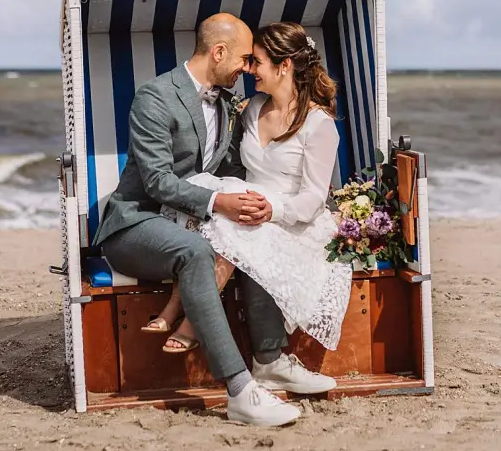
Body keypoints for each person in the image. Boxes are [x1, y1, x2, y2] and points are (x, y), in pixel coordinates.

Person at [94, 13, 334, 427]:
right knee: (196, 250)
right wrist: (222, 204)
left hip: (193, 218)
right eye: (243, 59)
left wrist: (258, 207)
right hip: (137, 223)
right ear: (218, 52)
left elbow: (232, 168)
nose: (246, 68)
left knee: (253, 232)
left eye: (253, 62)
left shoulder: (227, 104)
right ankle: (240, 391)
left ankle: (269, 358)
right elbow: (156, 181)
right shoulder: (155, 96)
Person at [148, 22, 351, 356]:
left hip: (294, 220)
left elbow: (314, 199)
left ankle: (191, 320)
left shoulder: (319, 125)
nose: (248, 69)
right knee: (212, 204)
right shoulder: (253, 108)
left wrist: (273, 210)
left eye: (256, 62)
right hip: (250, 203)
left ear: (283, 65)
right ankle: (178, 307)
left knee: (238, 223)